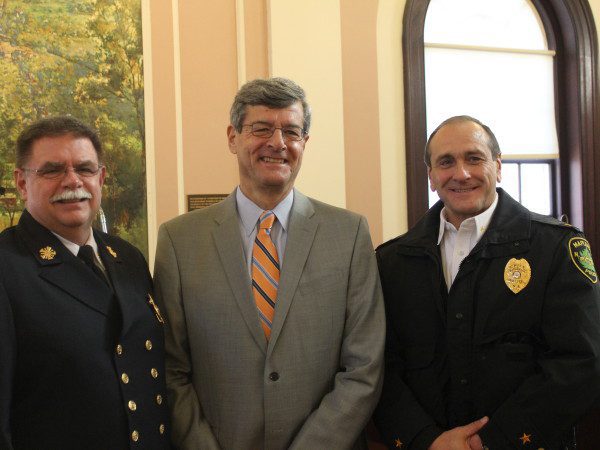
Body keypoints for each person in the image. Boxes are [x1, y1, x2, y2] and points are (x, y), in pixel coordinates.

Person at [153, 77, 385, 449]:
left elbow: (363, 367)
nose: (277, 143)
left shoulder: (349, 234)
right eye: (261, 129)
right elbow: (171, 369)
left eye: (291, 132)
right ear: (233, 137)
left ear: (304, 143)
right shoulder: (179, 241)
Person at [374, 115, 600, 449]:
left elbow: (580, 362)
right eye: (446, 162)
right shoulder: (392, 261)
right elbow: (382, 367)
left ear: (497, 166)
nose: (461, 173)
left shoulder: (555, 248)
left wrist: (490, 442)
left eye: (474, 158)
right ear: (431, 177)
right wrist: (426, 440)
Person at [0, 116, 170, 449]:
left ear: (101, 178)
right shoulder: (7, 268)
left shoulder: (128, 258)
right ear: (22, 183)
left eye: (85, 168)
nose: (72, 181)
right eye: (52, 170)